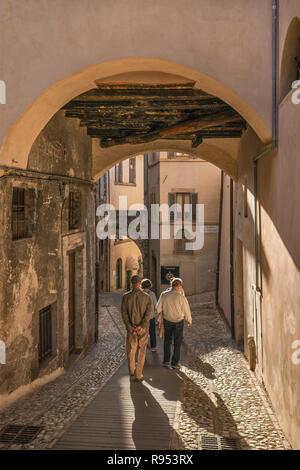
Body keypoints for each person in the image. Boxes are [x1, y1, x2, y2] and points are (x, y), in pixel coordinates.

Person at [121, 274, 152, 382]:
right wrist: (142, 326)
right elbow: (148, 314)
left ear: (131, 283)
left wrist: (130, 327)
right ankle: (139, 374)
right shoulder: (147, 297)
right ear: (140, 283)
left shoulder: (125, 297)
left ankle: (132, 370)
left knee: (131, 350)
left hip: (131, 329)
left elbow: (124, 314)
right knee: (141, 350)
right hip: (142, 329)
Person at [156, 277, 192, 370]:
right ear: (179, 286)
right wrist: (189, 320)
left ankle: (166, 361)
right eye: (181, 285)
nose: (181, 287)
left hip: (167, 320)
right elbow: (186, 309)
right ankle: (174, 363)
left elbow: (158, 308)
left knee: (167, 341)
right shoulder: (181, 297)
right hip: (178, 321)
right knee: (177, 342)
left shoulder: (164, 295)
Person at [141, 278, 158, 352]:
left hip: (142, 317)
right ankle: (153, 347)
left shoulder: (140, 294)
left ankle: (143, 346)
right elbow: (155, 305)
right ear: (150, 286)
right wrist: (155, 314)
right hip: (151, 317)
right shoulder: (152, 294)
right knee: (152, 332)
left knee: (143, 332)